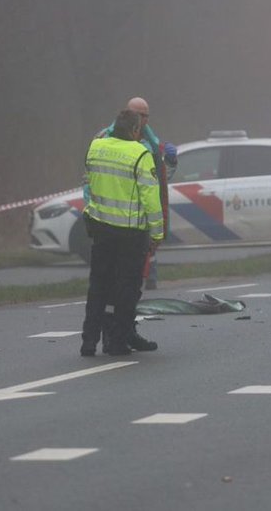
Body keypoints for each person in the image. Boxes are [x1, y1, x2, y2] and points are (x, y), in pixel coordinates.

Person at [83, 96, 176, 351]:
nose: (143, 121)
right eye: (139, 116)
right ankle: (116, 338)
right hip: (131, 230)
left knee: (102, 286)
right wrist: (157, 232)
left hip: (104, 227)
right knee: (124, 287)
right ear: (130, 120)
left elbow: (161, 180)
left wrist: (170, 162)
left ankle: (95, 339)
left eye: (146, 116)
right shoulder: (137, 149)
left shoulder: (144, 144)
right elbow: (150, 195)